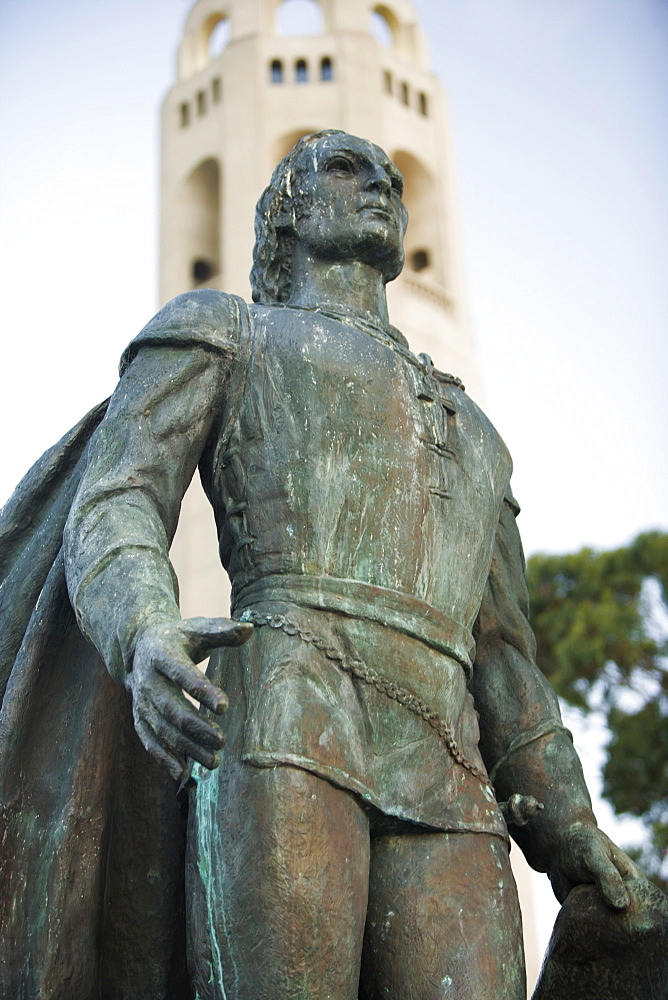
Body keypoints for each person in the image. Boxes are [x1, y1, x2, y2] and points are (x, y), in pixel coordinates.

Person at [1, 131, 636, 999]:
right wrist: (141, 625)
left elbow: (506, 657)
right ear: (287, 211)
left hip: (450, 769)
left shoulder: (477, 436)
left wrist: (572, 828)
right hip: (284, 716)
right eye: (344, 168)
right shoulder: (224, 333)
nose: (379, 183)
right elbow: (117, 500)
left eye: (389, 176)